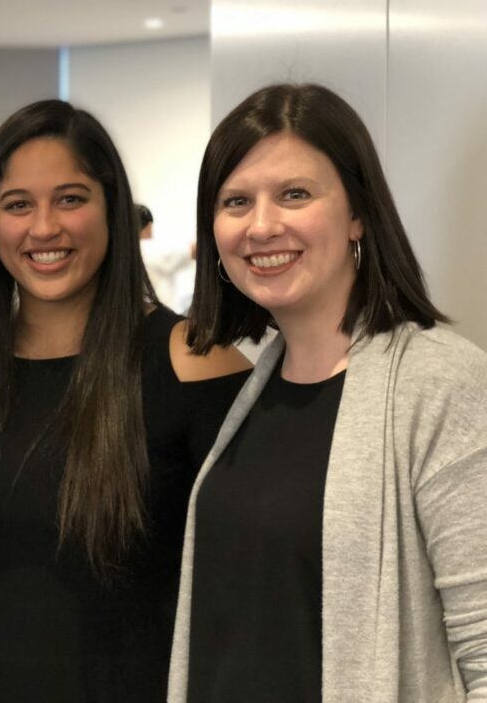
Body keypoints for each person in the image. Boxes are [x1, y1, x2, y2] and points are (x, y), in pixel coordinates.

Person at [0, 100, 251, 702]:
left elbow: (253, 586)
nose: (44, 228)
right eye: (18, 204)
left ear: (113, 209)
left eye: (70, 198)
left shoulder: (192, 360)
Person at [168, 83, 487, 703]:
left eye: (295, 194)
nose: (262, 226)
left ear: (358, 212)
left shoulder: (440, 382)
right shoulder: (252, 391)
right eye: (236, 202)